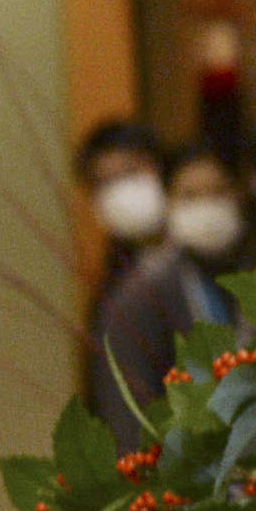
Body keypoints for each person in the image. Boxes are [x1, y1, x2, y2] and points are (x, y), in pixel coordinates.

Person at [90, 147, 256, 447]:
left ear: (239, 195)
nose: (207, 207)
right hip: (179, 470)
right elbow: (128, 416)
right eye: (190, 196)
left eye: (218, 192)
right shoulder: (140, 295)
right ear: (168, 204)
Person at [76, 117, 169, 356]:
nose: (121, 191)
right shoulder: (113, 292)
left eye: (129, 173)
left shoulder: (206, 253)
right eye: (106, 183)